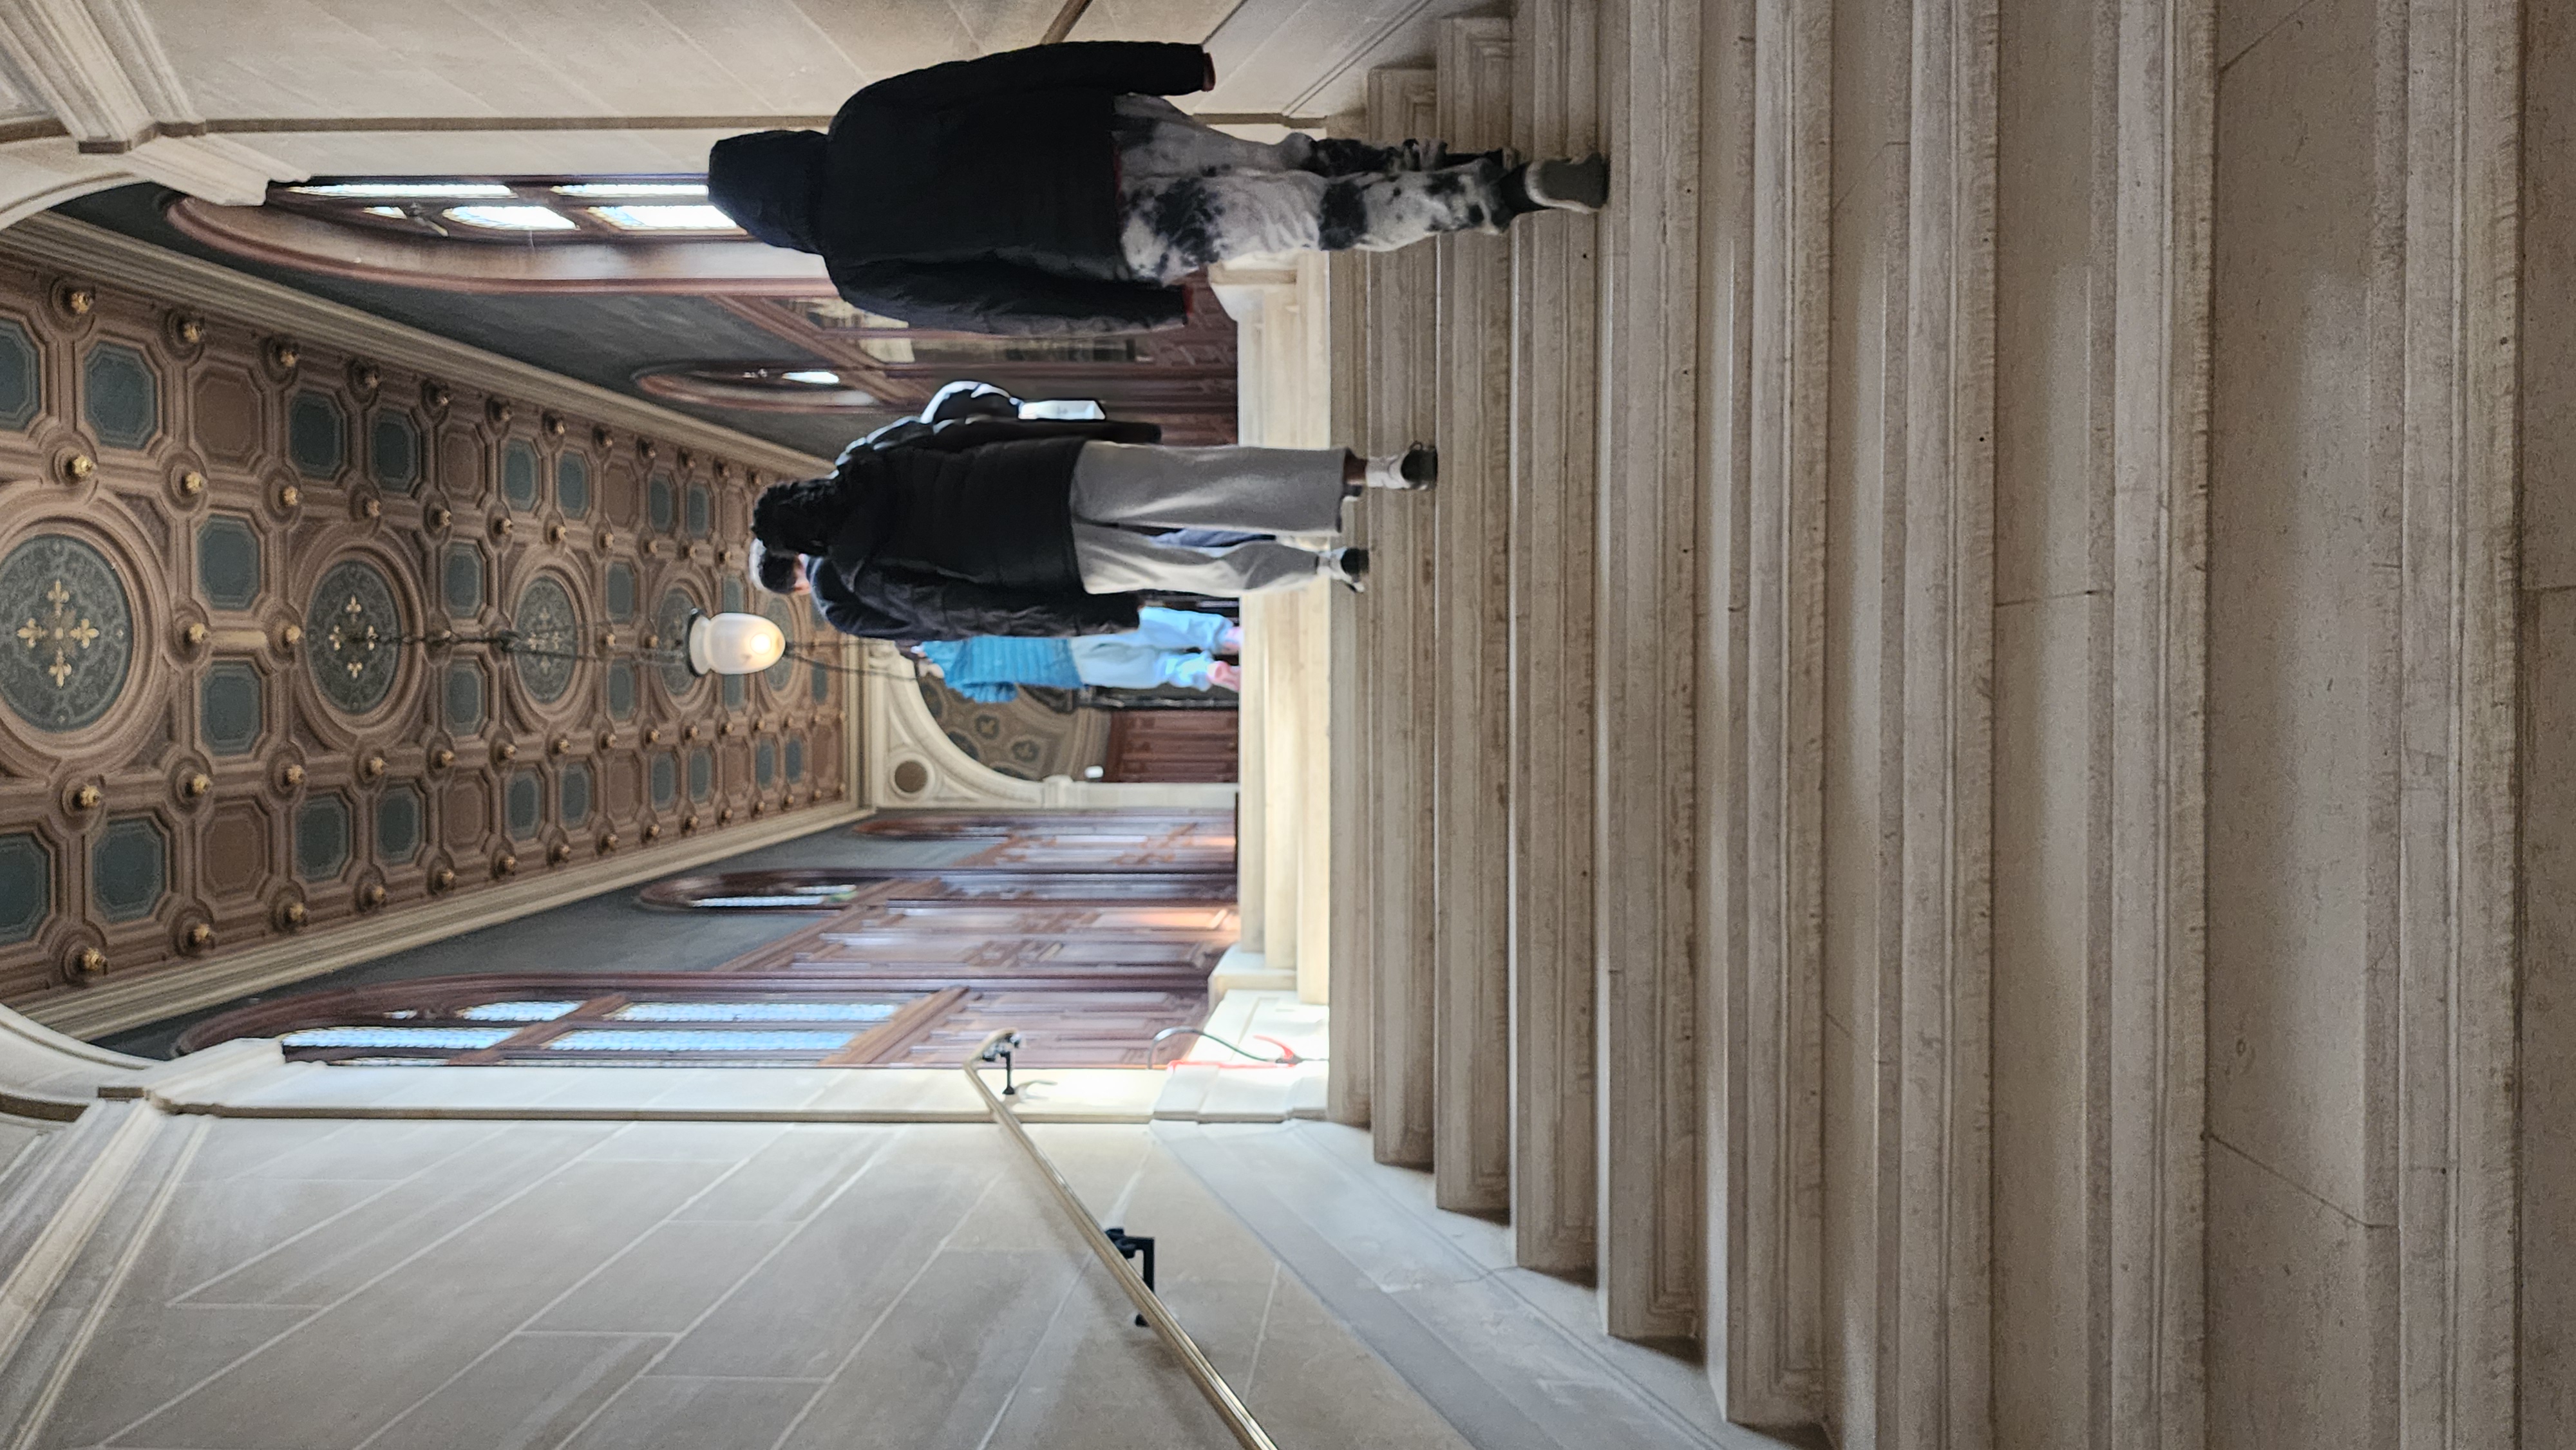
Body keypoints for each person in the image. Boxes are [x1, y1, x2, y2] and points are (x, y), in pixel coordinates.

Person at [706, 41, 1609, 335]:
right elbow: (1016, 74)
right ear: (779, 150)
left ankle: (1497, 192)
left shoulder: (859, 271)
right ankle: (1444, 163)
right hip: (1114, 129)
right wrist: (1167, 63)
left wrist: (1139, 313)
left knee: (1304, 218)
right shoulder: (865, 119)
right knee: (1278, 165)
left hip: (1118, 232)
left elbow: (1001, 303)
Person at [749, 411, 1435, 641]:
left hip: (1040, 555)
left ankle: (1325, 566)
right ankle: (1378, 471)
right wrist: (1068, 433)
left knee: (1189, 572)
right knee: (1209, 478)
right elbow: (970, 432)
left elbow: (968, 611)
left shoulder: (866, 575)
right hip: (1043, 471)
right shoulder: (871, 459)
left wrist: (1073, 615)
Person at [916, 607, 1245, 702]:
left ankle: (1203, 672)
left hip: (1064, 671)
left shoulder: (958, 678)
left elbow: (1002, 695)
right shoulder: (948, 621)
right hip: (1055, 629)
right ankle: (1224, 636)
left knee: (1153, 669)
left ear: (920, 657)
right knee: (1141, 626)